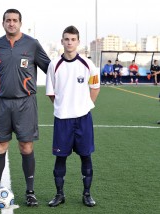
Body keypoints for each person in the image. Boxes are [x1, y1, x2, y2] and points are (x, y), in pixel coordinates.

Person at [0, 8, 50, 207]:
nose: (11, 23)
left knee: (26, 146)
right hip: (2, 103)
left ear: (20, 23)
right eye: (8, 20)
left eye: (14, 20)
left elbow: (51, 69)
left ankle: (30, 192)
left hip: (26, 103)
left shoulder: (32, 44)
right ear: (3, 23)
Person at [45, 26, 100, 208]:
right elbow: (51, 93)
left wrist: (86, 106)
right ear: (62, 41)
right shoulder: (54, 65)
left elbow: (95, 87)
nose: (69, 42)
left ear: (78, 42)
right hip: (62, 120)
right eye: (66, 39)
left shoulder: (88, 64)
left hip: (83, 119)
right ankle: (59, 194)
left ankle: (87, 194)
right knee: (60, 158)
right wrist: (63, 108)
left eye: (73, 39)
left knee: (86, 156)